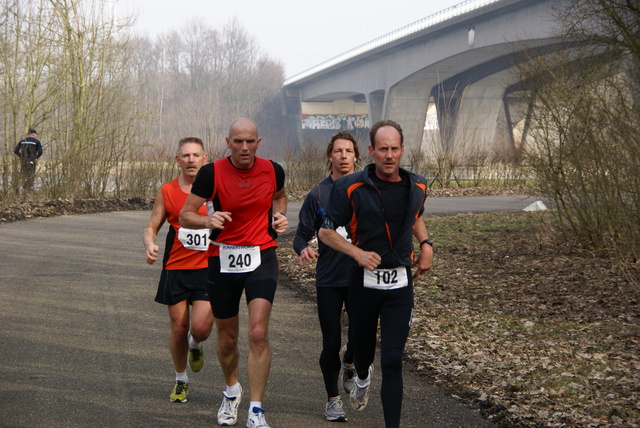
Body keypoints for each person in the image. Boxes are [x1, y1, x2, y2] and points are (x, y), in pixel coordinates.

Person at [318, 120, 433, 428]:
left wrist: (426, 244)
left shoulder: (418, 185)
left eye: (395, 148)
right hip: (364, 285)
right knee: (365, 355)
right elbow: (325, 232)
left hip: (399, 285)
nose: (389, 155)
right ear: (370, 151)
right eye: (383, 149)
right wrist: (356, 253)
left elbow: (416, 215)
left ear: (403, 150)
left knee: (393, 360)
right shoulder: (350, 187)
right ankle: (362, 374)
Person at [179, 118, 287, 428]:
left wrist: (279, 216)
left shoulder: (273, 169)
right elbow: (186, 214)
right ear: (228, 143)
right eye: (237, 142)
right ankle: (231, 391)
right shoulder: (211, 173)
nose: (244, 147)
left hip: (261, 254)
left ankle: (255, 410)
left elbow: (280, 197)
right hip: (222, 258)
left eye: (249, 141)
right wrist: (207, 222)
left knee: (257, 333)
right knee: (227, 340)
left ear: (258, 142)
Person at [292, 131, 359, 422]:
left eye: (348, 151)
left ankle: (352, 360)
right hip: (330, 278)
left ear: (356, 156)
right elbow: (300, 236)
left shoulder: (368, 189)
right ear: (329, 156)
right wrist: (304, 249)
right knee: (331, 341)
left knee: (360, 336)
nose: (343, 156)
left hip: (362, 276)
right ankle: (333, 400)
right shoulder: (317, 194)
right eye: (338, 151)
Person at [143, 137, 214, 403]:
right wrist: (150, 244)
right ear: (177, 160)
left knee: (201, 328)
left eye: (196, 155)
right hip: (176, 267)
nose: (191, 160)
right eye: (186, 155)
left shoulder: (215, 189)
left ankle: (195, 345)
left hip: (209, 268)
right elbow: (152, 226)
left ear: (205, 158)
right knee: (178, 328)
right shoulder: (168, 190)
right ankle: (181, 380)